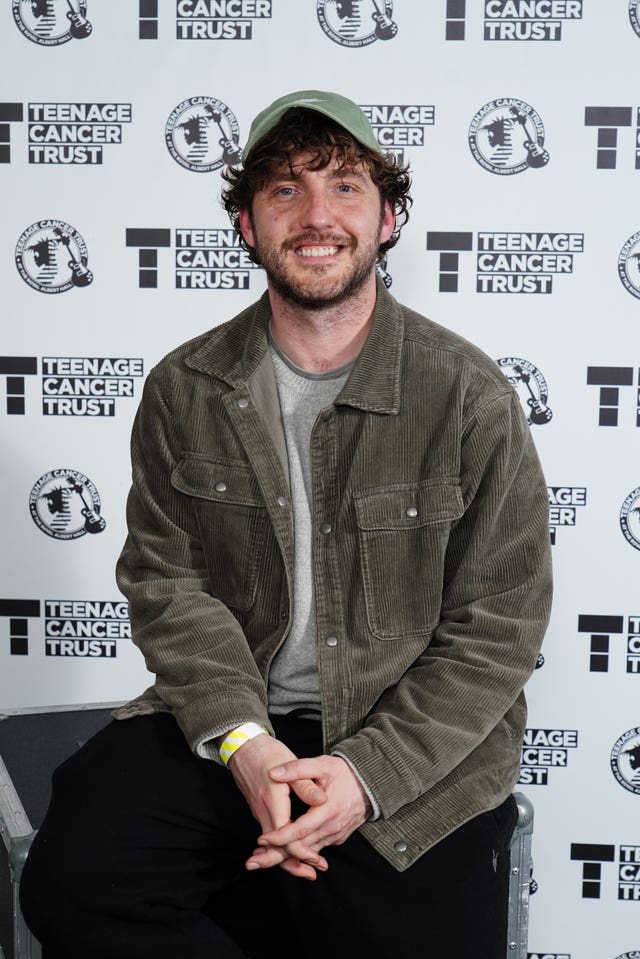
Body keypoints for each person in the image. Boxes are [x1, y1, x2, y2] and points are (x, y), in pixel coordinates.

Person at [20, 90, 552, 959]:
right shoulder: (183, 388)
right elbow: (167, 583)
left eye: (345, 187)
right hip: (236, 715)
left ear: (388, 219)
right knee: (76, 882)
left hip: (406, 735)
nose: (316, 216)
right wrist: (244, 743)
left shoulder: (468, 395)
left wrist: (363, 776)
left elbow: (496, 629)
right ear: (245, 225)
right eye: (284, 190)